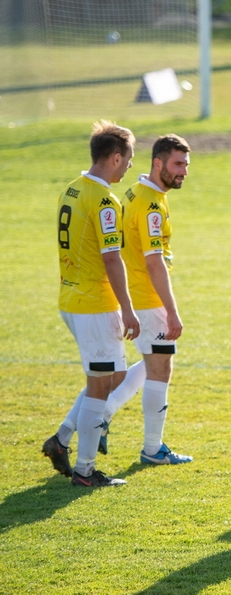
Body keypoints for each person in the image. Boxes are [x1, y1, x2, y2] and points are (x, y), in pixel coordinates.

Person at [41, 120, 140, 487]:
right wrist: (127, 309)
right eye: (128, 158)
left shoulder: (70, 189)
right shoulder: (104, 201)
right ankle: (85, 471)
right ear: (115, 158)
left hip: (71, 297)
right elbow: (112, 259)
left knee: (112, 377)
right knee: (100, 384)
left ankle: (62, 439)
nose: (130, 165)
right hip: (94, 305)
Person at [108, 134, 193, 465]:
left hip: (137, 292)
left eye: (186, 164)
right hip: (147, 294)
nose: (183, 171)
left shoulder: (138, 192)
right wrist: (171, 311)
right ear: (157, 163)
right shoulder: (151, 205)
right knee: (161, 367)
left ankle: (97, 418)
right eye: (177, 164)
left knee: (151, 363)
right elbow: (154, 261)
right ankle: (152, 448)